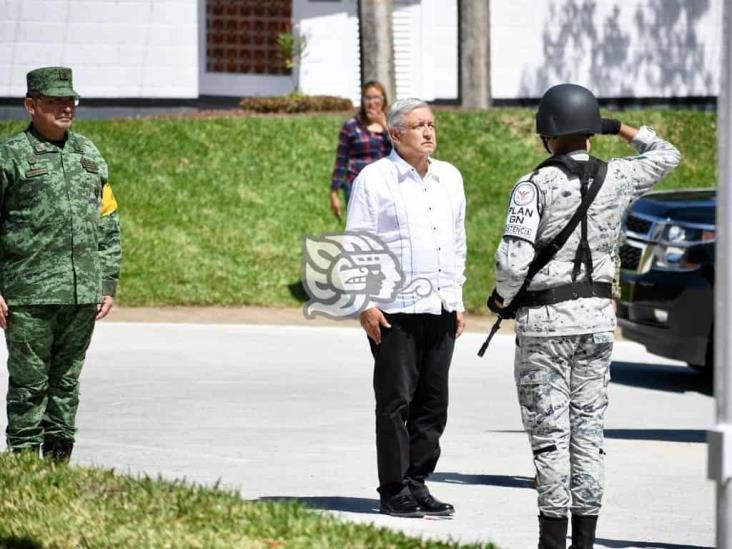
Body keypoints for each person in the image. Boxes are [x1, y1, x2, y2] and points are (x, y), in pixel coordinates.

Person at [490, 84, 680, 547]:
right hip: (596, 322)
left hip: (544, 328)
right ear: (590, 133)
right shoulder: (617, 177)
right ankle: (586, 540)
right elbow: (667, 154)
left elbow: (512, 263)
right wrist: (619, 127)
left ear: (547, 135)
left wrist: (501, 300)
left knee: (551, 436)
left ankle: (552, 539)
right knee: (589, 432)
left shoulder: (533, 186)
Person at [346, 98, 466, 517]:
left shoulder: (450, 177)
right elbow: (358, 242)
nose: (428, 132)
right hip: (394, 310)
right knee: (395, 403)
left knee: (433, 404)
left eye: (431, 124)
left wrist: (458, 299)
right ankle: (393, 489)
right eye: (418, 126)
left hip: (441, 308)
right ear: (395, 134)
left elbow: (457, 242)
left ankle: (418, 482)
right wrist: (365, 303)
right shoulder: (374, 179)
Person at [0, 66, 122, 462]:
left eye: (69, 100)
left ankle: (56, 465)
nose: (65, 107)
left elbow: (107, 220)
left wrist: (107, 281)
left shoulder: (89, 154)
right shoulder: (10, 156)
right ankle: (22, 464)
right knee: (28, 385)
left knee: (66, 383)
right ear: (31, 105)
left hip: (80, 294)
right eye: (54, 100)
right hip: (28, 294)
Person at [329, 80, 392, 221]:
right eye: (367, 97)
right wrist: (334, 192)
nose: (372, 102)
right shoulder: (351, 126)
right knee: (361, 233)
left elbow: (401, 152)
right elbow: (341, 161)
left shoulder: (392, 125)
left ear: (384, 100)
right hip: (356, 185)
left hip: (386, 187)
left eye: (376, 97)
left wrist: (384, 125)